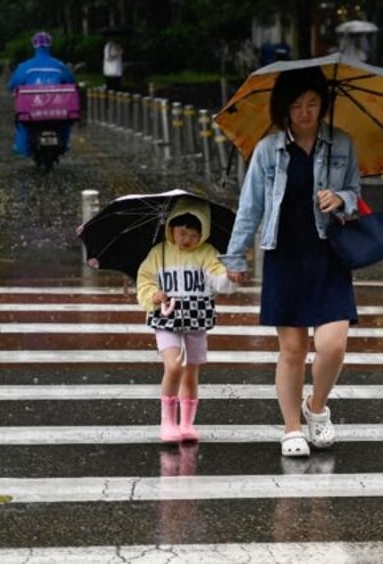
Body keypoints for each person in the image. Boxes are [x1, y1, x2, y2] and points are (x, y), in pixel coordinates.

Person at [220, 66, 361, 458]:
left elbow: (356, 194)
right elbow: (250, 207)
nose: (305, 111)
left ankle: (316, 408)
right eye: (297, 105)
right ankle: (292, 427)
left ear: (323, 105)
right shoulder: (268, 150)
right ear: (284, 108)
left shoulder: (343, 145)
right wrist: (236, 255)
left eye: (313, 103)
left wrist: (341, 199)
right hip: (284, 253)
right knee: (293, 349)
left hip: (329, 253)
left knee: (333, 345)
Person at [136, 197, 239, 443]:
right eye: (182, 233)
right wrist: (153, 295)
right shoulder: (158, 253)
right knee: (173, 367)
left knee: (191, 373)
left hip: (196, 318)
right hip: (166, 318)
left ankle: (187, 423)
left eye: (194, 234)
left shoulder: (207, 253)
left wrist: (231, 277)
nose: (187, 239)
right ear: (170, 228)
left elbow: (218, 280)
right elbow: (144, 279)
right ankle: (168, 422)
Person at [7, 31, 75, 156]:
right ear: (50, 45)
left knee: (22, 123)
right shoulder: (59, 65)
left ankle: (23, 148)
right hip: (57, 109)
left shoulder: (25, 66)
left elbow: (12, 84)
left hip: (32, 111)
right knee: (65, 122)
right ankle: (65, 144)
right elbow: (71, 81)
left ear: (34, 46)